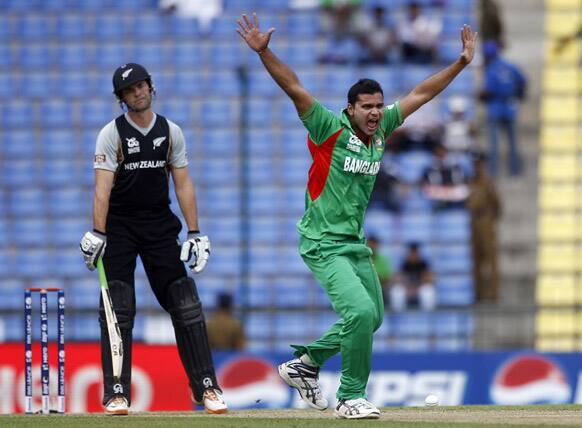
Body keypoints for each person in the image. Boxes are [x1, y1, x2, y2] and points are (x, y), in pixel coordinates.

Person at [237, 12, 476, 419]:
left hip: (353, 244)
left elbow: (421, 93)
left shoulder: (381, 132)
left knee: (373, 318)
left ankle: (306, 363)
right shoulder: (328, 128)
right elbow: (295, 88)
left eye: (379, 107)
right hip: (321, 242)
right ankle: (350, 397)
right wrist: (265, 53)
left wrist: (460, 63)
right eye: (367, 107)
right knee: (360, 313)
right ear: (350, 108)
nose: (375, 113)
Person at [79, 63, 227, 416]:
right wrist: (98, 232)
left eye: (142, 85)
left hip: (160, 225)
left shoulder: (171, 131)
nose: (139, 92)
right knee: (118, 307)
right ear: (122, 98)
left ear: (151, 87)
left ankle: (205, 385)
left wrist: (194, 232)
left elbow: (183, 183)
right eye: (130, 90)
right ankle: (116, 392)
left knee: (185, 301)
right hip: (120, 227)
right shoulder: (111, 134)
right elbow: (103, 188)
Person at [480, 40, 527, 177]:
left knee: (494, 144)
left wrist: (480, 96)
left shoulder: (491, 69)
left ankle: (494, 173)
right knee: (512, 142)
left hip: (495, 108)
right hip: (510, 107)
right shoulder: (510, 66)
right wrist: (519, 95)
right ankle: (514, 171)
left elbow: (488, 91)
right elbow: (523, 82)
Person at [466, 152, 501, 302]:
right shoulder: (471, 182)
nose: (477, 167)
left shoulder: (488, 183)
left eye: (479, 164)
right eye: (475, 164)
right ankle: (478, 294)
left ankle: (493, 294)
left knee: (491, 260)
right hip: (474, 222)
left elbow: (497, 204)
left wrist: (490, 219)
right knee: (476, 260)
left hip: (485, 222)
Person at [421, 143, 470, 211]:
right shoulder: (430, 167)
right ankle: (437, 210)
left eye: (442, 153)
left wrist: (450, 186)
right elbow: (427, 182)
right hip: (437, 191)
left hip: (452, 190)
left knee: (463, 191)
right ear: (435, 155)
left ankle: (456, 209)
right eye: (438, 154)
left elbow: (460, 180)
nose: (441, 156)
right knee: (427, 192)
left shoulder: (455, 166)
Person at [389, 242, 436, 312]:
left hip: (419, 288)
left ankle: (427, 316)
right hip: (407, 288)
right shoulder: (405, 264)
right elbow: (399, 278)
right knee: (397, 291)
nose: (413, 255)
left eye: (415, 253)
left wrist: (416, 288)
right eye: (412, 253)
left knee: (427, 291)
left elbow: (429, 279)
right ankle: (398, 315)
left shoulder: (423, 264)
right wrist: (408, 288)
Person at [366, 236, 393, 304]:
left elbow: (387, 278)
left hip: (380, 288)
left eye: (373, 244)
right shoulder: (362, 259)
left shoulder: (382, 259)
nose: (372, 247)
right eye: (370, 244)